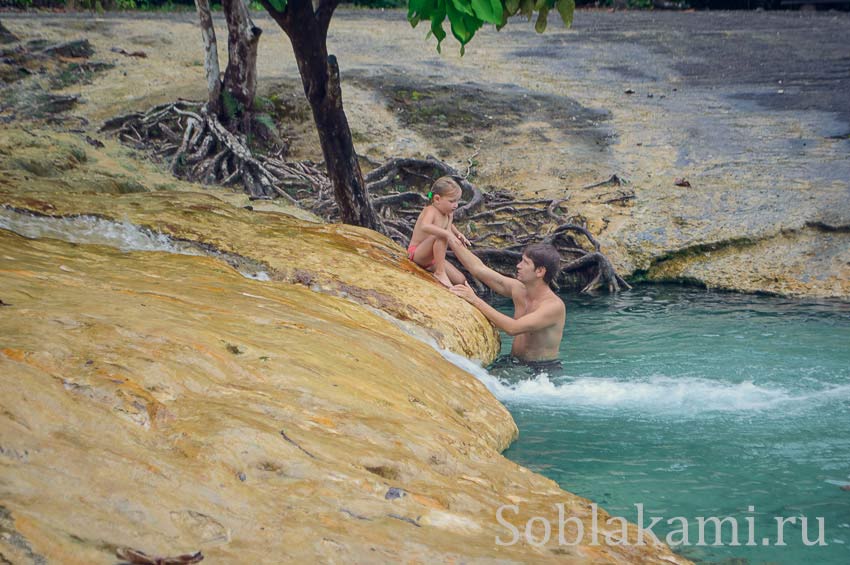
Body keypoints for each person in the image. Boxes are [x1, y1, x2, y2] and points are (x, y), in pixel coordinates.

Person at [449, 241, 566, 362]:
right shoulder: (519, 290)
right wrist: (447, 236)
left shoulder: (553, 306)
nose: (518, 266)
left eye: (525, 263)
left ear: (540, 271)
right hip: (513, 362)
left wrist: (475, 300)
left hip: (541, 371)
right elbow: (478, 269)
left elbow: (513, 328)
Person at [407, 176, 471, 287]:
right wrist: (446, 234)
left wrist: (458, 234)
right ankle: (440, 273)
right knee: (440, 235)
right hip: (418, 254)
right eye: (452, 201)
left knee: (461, 280)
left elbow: (449, 227)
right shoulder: (430, 210)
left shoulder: (446, 214)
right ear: (437, 199)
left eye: (457, 201)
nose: (456, 205)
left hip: (432, 261)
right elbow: (425, 226)